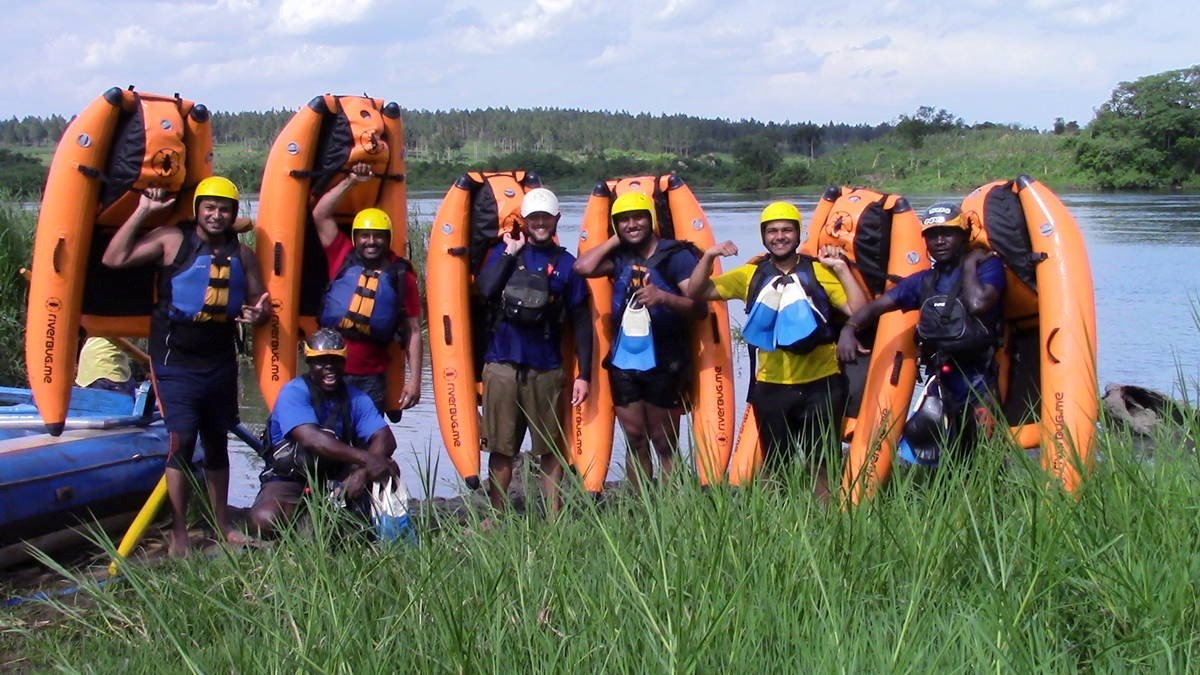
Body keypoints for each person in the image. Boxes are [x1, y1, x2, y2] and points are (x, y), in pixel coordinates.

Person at [101, 176, 270, 556]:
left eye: (224, 209)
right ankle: (179, 534)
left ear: (233, 214)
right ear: (197, 210)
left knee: (216, 442)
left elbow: (261, 303)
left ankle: (222, 525)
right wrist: (144, 210)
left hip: (219, 361)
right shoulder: (171, 240)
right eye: (209, 207)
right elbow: (113, 259)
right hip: (174, 361)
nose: (216, 215)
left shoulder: (243, 255)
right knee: (181, 441)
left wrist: (259, 315)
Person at [686, 201, 866, 500]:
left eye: (786, 230)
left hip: (821, 383)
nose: (779, 236)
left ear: (797, 235)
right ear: (763, 236)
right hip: (771, 386)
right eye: (772, 231)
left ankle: (823, 518)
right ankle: (777, 522)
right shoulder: (750, 275)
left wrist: (841, 270)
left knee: (821, 461)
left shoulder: (820, 271)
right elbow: (696, 292)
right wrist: (709, 255)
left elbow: (858, 311)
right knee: (775, 462)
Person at [837, 201, 1006, 464]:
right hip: (944, 376)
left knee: (981, 451)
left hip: (979, 377)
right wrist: (849, 329)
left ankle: (991, 496)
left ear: (963, 235)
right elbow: (876, 308)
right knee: (948, 453)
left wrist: (971, 263)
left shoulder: (987, 267)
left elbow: (977, 303)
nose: (939, 240)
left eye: (947, 233)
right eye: (932, 235)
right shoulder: (924, 281)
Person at [573, 191, 705, 493]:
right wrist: (615, 239)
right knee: (635, 439)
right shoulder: (619, 257)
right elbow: (582, 268)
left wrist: (663, 297)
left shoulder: (676, 257)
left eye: (638, 218)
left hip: (665, 360)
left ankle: (673, 510)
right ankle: (642, 509)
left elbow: (698, 308)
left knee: (664, 442)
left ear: (652, 219)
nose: (632, 224)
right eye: (624, 220)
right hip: (625, 361)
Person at [473, 187, 592, 519]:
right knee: (500, 449)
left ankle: (553, 517)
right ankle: (497, 517)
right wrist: (511, 253)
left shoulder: (568, 265)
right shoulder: (505, 253)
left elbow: (582, 321)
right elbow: (484, 290)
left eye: (545, 218)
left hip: (546, 369)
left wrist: (585, 375)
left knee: (550, 451)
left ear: (556, 220)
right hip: (502, 365)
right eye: (533, 218)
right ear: (524, 221)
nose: (540, 223)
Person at [247, 329, 401, 538]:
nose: (329, 367)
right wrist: (368, 459)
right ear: (309, 362)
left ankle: (338, 520)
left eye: (335, 360)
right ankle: (309, 521)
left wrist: (363, 472)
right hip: (290, 477)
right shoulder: (293, 392)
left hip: (337, 477)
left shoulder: (357, 398)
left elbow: (385, 438)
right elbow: (313, 440)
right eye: (321, 361)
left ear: (344, 362)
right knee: (264, 520)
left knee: (388, 466)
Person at [311, 162, 422, 417]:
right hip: (329, 370)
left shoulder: (401, 274)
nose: (371, 241)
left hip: (371, 379)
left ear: (387, 237)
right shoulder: (341, 256)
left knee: (367, 447)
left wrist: (415, 380)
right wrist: (351, 180)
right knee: (328, 442)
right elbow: (320, 215)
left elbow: (414, 331)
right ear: (355, 237)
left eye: (378, 236)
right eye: (365, 235)